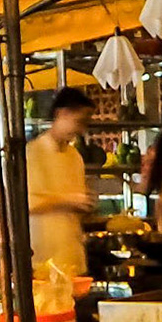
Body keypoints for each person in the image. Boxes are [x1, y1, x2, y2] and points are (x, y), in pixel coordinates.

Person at [27, 89, 96, 278]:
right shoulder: (33, 153)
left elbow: (78, 202)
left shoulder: (75, 156)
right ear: (61, 113)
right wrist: (70, 200)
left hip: (73, 256)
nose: (82, 129)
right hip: (44, 260)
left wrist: (85, 206)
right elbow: (27, 204)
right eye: (80, 121)